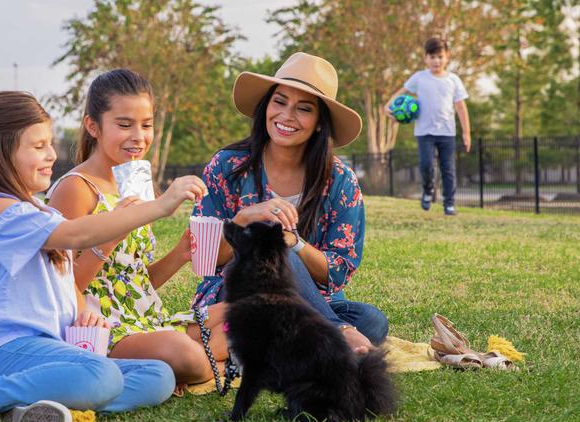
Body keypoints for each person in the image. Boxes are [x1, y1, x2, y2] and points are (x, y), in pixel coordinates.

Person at [0, 91, 207, 422]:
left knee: (158, 375)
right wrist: (160, 205)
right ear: (0, 151)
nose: (52, 154)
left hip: (50, 349)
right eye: (38, 146)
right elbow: (75, 234)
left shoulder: (38, 209)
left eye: (50, 144)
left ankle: (31, 405)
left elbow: (61, 286)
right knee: (103, 374)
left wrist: (88, 310)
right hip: (3, 352)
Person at [191, 52, 389, 356]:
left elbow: (337, 271)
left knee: (372, 322)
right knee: (269, 250)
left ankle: (289, 338)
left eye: (304, 109)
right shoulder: (227, 166)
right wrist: (243, 220)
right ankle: (335, 333)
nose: (286, 115)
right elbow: (204, 259)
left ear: (320, 123)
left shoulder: (340, 180)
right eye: (279, 101)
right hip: (236, 297)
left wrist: (293, 242)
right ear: (266, 106)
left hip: (311, 299)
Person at [47, 69, 228, 386]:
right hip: (100, 330)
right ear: (93, 126)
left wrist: (180, 255)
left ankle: (214, 360)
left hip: (145, 320)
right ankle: (217, 365)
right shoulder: (76, 188)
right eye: (124, 124)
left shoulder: (134, 184)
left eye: (146, 125)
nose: (139, 136)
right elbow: (59, 286)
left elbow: (132, 286)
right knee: (184, 353)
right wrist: (110, 235)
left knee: (253, 314)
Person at [387, 37, 471, 216]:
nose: (436, 61)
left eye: (440, 57)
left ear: (447, 57)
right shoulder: (419, 78)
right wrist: (388, 107)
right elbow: (400, 93)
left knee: (448, 168)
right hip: (424, 132)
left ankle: (449, 203)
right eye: (432, 57)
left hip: (447, 132)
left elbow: (461, 107)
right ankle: (428, 190)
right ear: (425, 58)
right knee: (426, 165)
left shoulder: (453, 80)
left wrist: (466, 133)